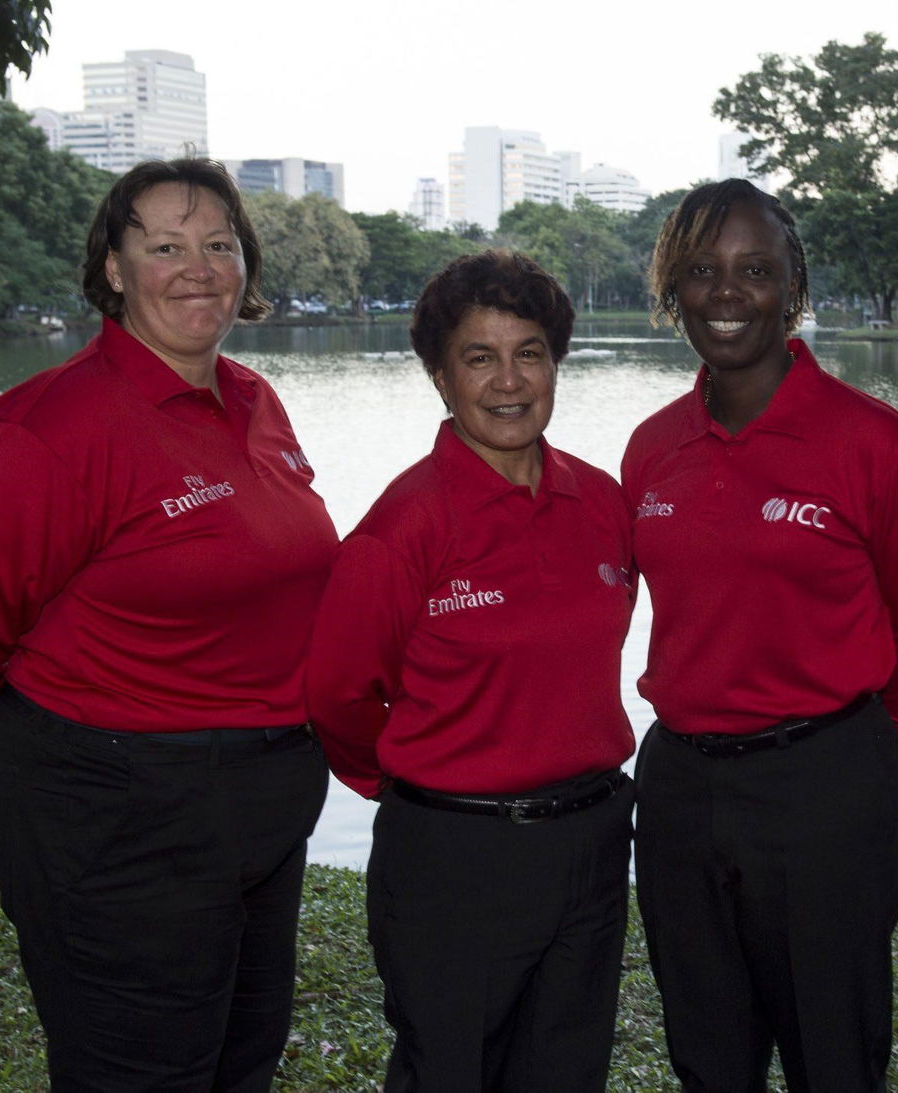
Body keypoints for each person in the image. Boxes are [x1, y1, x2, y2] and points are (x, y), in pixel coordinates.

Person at [0, 158, 336, 1091]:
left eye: (220, 244)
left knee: (240, 1061)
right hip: (117, 814)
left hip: (259, 808)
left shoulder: (256, 403)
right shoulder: (50, 429)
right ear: (111, 266)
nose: (199, 267)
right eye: (165, 245)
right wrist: (67, 753)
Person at [622, 178, 898, 1092]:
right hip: (682, 788)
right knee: (708, 1053)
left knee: (834, 1057)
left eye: (755, 270)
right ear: (673, 289)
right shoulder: (651, 448)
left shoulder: (874, 443)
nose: (727, 292)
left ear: (793, 286)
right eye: (701, 270)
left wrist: (868, 740)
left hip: (827, 788)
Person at [304, 250, 637, 1093]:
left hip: (590, 845)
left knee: (566, 1071)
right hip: (454, 856)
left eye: (529, 351)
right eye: (478, 358)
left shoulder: (602, 503)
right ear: (441, 378)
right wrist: (431, 785)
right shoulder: (404, 525)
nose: (508, 380)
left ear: (556, 363)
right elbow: (339, 694)